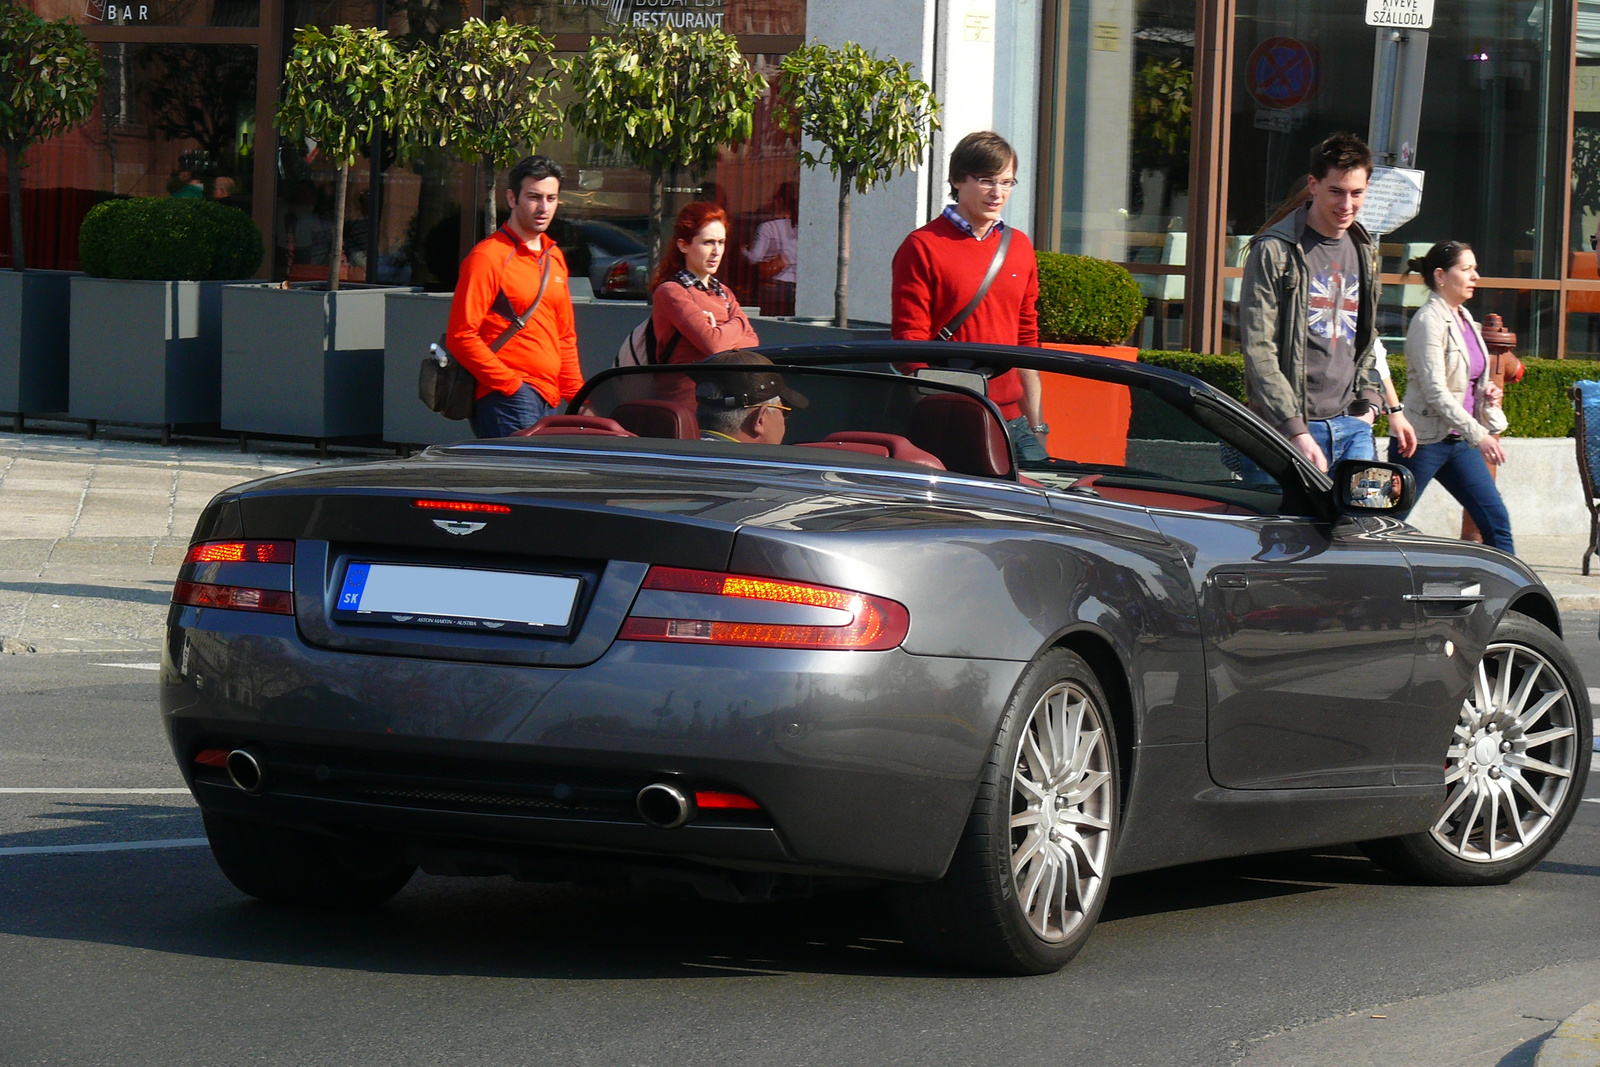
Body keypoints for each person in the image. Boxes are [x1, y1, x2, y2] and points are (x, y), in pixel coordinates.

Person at [891, 130, 1047, 460]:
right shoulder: (922, 246)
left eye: (1007, 182)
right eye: (987, 180)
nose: (998, 193)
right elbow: (909, 344)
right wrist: (941, 409)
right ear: (958, 180)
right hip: (951, 417)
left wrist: (1038, 426)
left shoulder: (1019, 246)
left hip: (1013, 421)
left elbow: (1028, 341)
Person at [1240, 133, 1389, 473]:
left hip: (1352, 426)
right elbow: (1258, 347)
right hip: (1284, 431)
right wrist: (1294, 429)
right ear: (1313, 184)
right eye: (1336, 191)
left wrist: (1370, 405)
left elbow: (1366, 336)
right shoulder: (1274, 250)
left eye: (1357, 193)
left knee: (1360, 525)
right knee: (1282, 528)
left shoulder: (1364, 250)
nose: (1347, 204)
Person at [446, 155, 583, 439]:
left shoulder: (554, 257)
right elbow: (461, 335)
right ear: (512, 198)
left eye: (551, 198)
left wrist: (580, 398)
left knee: (535, 480)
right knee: (524, 478)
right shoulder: (488, 256)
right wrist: (510, 385)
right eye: (533, 197)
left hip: (549, 397)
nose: (543, 207)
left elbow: (565, 337)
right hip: (506, 397)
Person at [1396, 240, 1513, 553]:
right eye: (1466, 269)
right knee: (1384, 522)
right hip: (1422, 443)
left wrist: (1485, 390)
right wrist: (1481, 435)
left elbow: (1467, 377)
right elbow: (1435, 390)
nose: (1475, 276)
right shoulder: (1427, 321)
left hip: (1459, 443)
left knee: (1496, 522)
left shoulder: (1465, 319)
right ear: (1441, 276)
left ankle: (1515, 599)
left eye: (1474, 269)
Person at [650, 201, 759, 365]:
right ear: (683, 246)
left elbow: (753, 342)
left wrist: (720, 331)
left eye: (721, 242)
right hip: (684, 389)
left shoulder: (723, 292)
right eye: (708, 242)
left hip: (725, 387)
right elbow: (714, 345)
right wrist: (740, 322)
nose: (716, 251)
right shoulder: (671, 291)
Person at [693, 351, 807, 444]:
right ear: (760, 419)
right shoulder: (764, 470)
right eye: (784, 412)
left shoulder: (679, 455)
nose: (783, 421)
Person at [746, 181, 798, 316]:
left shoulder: (769, 227)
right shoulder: (806, 227)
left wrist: (742, 249)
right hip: (800, 287)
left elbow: (754, 258)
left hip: (776, 287)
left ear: (779, 201)